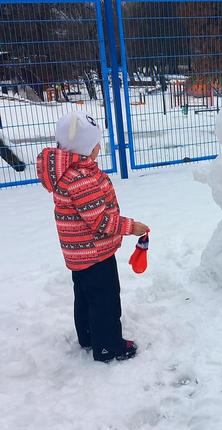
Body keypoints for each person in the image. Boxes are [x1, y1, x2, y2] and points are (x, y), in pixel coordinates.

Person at [36, 110, 149, 363]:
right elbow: (101, 222)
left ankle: (88, 336)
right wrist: (133, 227)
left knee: (86, 296)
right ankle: (109, 347)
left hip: (79, 254)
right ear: (85, 149)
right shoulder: (81, 179)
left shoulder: (69, 172)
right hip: (95, 253)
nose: (99, 146)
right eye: (96, 142)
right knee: (106, 301)